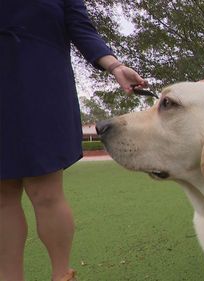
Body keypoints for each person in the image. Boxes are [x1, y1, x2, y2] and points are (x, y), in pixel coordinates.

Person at [0, 1, 146, 280]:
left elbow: (81, 28)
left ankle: (61, 275)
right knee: (2, 196)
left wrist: (115, 65)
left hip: (43, 85)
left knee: (45, 191)